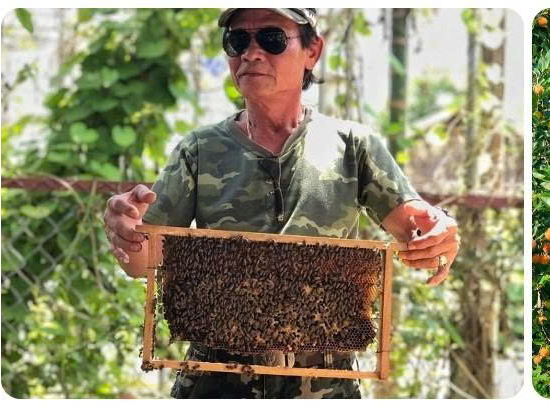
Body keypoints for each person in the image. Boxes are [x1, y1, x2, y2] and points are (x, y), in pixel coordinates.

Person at [104, 8, 461, 398]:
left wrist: (439, 233)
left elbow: (417, 230)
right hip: (217, 378)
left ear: (312, 51)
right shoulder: (198, 150)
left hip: (324, 383)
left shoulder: (353, 146)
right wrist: (128, 232)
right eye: (237, 40)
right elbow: (142, 261)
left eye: (272, 39)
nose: (251, 53)